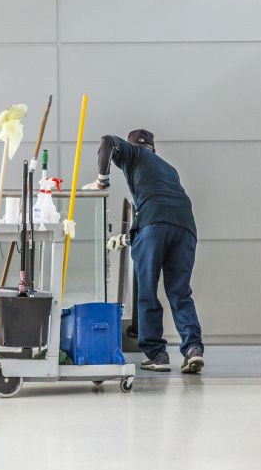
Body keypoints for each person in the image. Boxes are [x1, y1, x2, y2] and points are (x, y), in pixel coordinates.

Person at [83, 130, 204, 373]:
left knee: (147, 291)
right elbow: (161, 216)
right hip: (185, 228)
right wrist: (126, 239)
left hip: (153, 226)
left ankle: (157, 355)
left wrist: (101, 181)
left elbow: (107, 141)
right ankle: (193, 349)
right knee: (180, 293)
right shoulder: (169, 169)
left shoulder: (132, 153)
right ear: (153, 149)